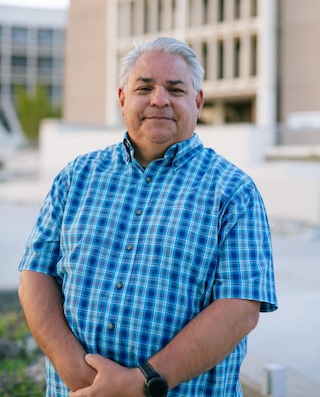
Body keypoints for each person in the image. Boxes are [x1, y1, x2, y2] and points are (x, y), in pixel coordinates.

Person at [18, 37, 278, 397]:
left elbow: (240, 308)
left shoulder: (233, 192)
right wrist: (80, 377)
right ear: (123, 98)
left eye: (175, 89)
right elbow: (36, 274)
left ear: (197, 101)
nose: (160, 99)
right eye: (145, 88)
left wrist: (140, 383)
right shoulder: (77, 176)